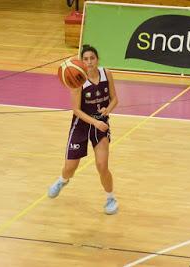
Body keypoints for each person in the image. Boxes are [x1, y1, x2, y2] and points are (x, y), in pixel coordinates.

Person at [48, 45, 119, 215]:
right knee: (70, 168)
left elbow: (115, 99)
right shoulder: (77, 79)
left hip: (100, 124)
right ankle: (62, 180)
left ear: (97, 59)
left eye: (92, 58)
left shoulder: (106, 73)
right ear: (81, 61)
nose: (89, 62)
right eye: (85, 59)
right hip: (81, 124)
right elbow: (76, 110)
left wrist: (107, 110)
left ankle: (111, 198)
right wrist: (95, 122)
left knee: (102, 166)